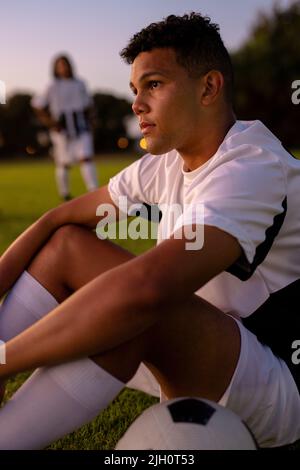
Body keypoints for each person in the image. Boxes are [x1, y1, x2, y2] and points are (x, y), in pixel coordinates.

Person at [0, 12, 300, 449]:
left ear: (209, 87)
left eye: (154, 85)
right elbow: (55, 222)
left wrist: (6, 362)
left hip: (276, 381)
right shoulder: (163, 164)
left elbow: (148, 288)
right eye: (134, 90)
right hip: (201, 344)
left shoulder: (253, 164)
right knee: (67, 246)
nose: (137, 104)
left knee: (137, 309)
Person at [32, 54, 98, 201]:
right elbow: (37, 105)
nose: (63, 67)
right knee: (63, 163)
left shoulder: (80, 83)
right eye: (60, 65)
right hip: (61, 128)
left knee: (86, 158)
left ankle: (93, 191)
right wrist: (50, 122)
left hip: (81, 126)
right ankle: (65, 194)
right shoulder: (51, 85)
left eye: (65, 64)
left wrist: (91, 121)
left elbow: (88, 105)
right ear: (55, 68)